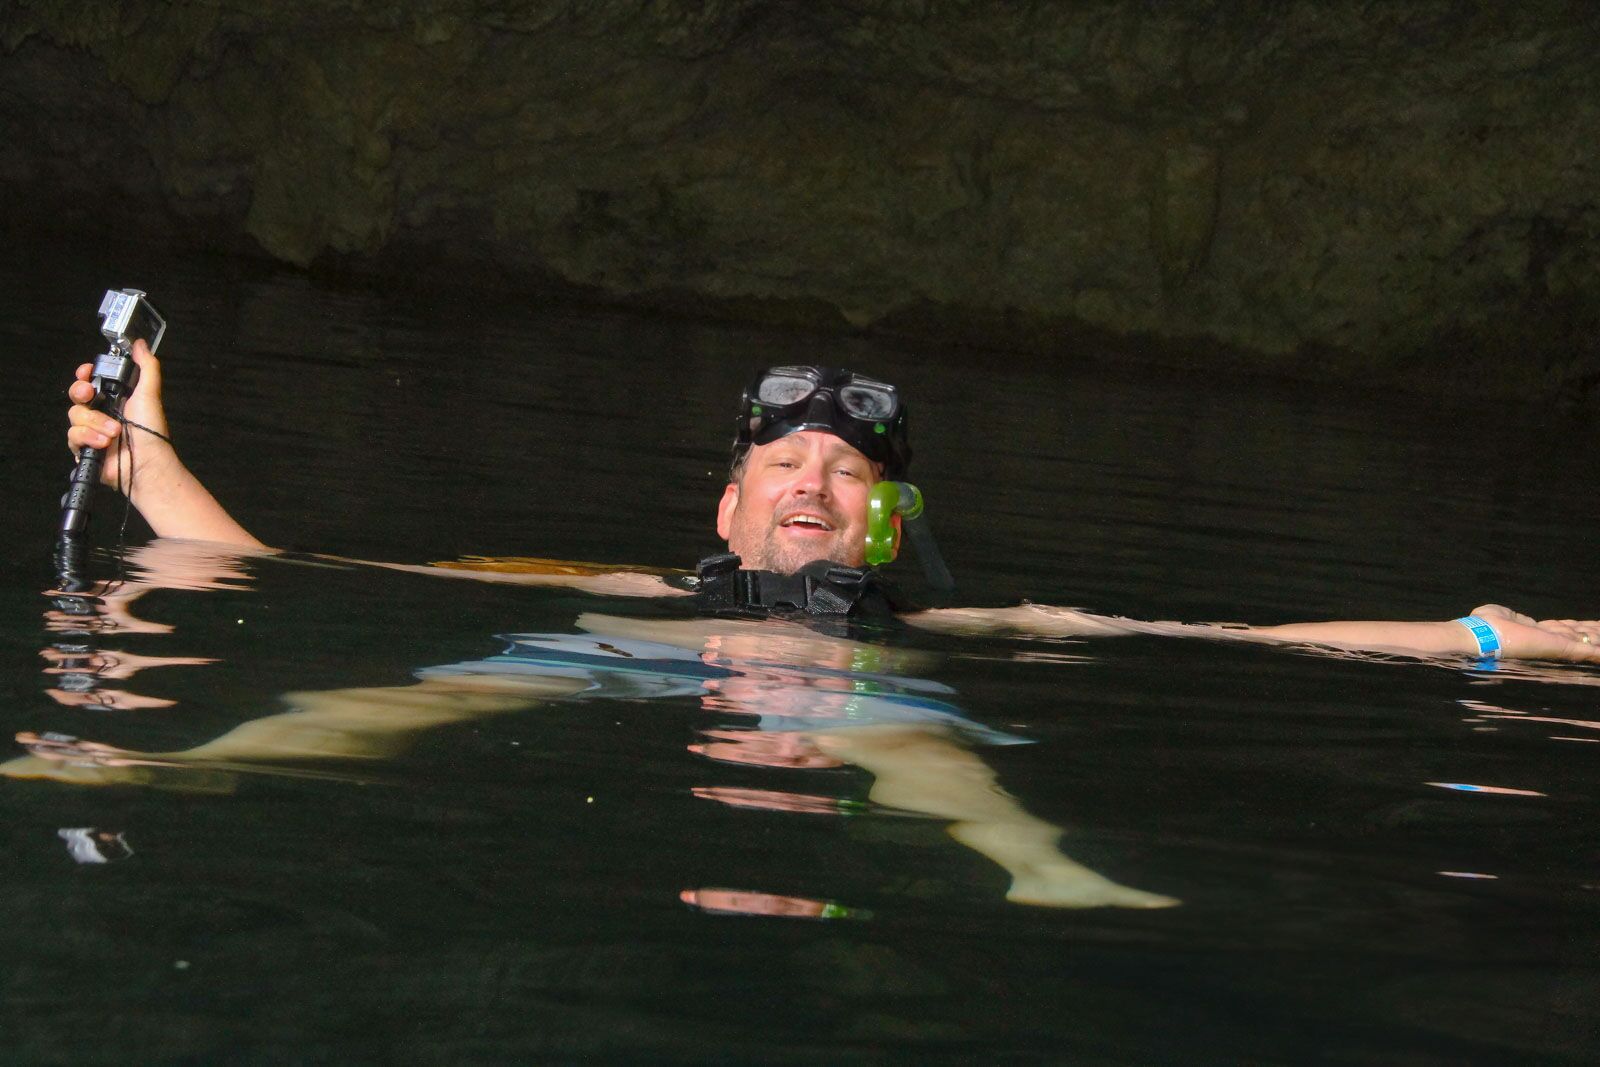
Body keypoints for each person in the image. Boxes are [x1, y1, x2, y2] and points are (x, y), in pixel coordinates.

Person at [60, 343, 1600, 662]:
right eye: (783, 466)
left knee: (946, 771)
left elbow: (1259, 636)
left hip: (884, 716)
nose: (812, 479)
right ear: (724, 512)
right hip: (635, 677)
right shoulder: (628, 597)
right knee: (419, 698)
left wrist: (1495, 634)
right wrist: (137, 454)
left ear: (884, 523)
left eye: (848, 472)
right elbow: (276, 565)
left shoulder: (980, 626)